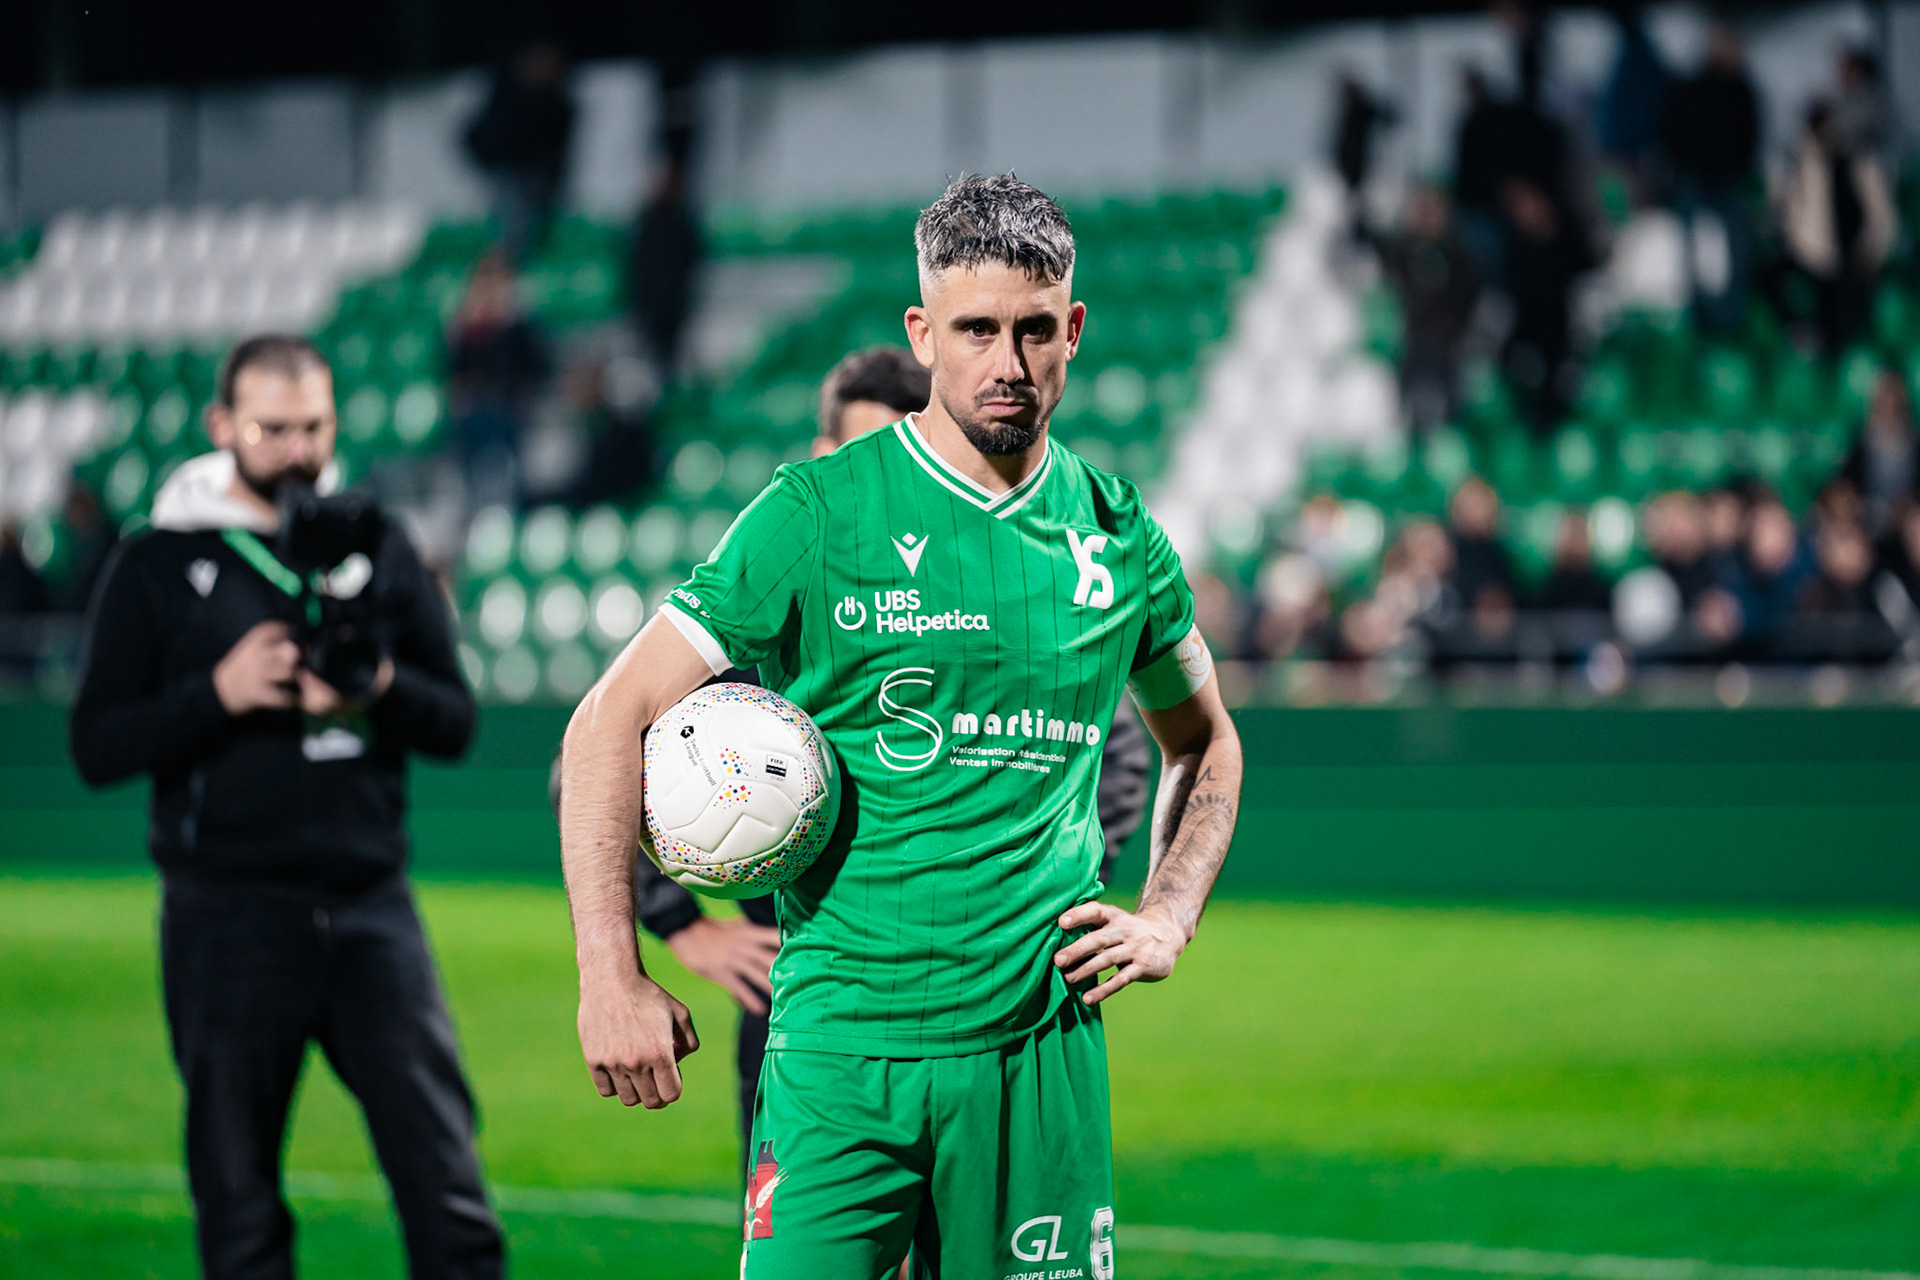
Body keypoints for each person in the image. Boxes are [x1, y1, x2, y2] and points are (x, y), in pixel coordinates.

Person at [557, 174, 1242, 1279]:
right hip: (839, 1053)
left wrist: (1169, 910)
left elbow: (1205, 740)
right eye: (976, 330)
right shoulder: (815, 512)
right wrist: (610, 970)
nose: (1008, 364)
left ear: (1074, 329)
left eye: (1034, 330)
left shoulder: (1121, 537)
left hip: (1040, 1052)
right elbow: (609, 720)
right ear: (925, 334)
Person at [67, 335, 504, 1280]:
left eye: (315, 427)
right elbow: (94, 746)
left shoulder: (379, 543)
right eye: (273, 429)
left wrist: (378, 687)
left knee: (447, 1184)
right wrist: (216, 694)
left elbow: (456, 722)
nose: (298, 451)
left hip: (371, 905)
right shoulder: (157, 560)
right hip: (226, 913)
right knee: (238, 1198)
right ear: (223, 427)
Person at [1662, 21, 1761, 336]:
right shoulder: (1691, 87)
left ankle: (1731, 322)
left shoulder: (1743, 91)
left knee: (1736, 250)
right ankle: (1696, 320)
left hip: (1728, 181)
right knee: (1690, 253)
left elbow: (1751, 135)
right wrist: (1684, 163)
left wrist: (1737, 166)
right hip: (1694, 178)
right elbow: (1670, 129)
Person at [1777, 100, 1897, 360]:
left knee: (1846, 316)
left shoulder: (1859, 162)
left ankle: (1841, 360)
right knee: (1775, 281)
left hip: (1854, 258)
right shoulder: (1802, 165)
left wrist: (1872, 251)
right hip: (1812, 258)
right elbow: (1790, 214)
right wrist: (1802, 248)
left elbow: (1883, 217)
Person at [448, 252, 551, 508]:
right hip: (478, 406)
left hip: (512, 405)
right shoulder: (467, 327)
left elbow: (534, 365)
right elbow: (456, 370)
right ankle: (471, 504)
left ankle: (518, 504)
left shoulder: (519, 324)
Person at [463, 42, 576, 261]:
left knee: (537, 232)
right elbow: (482, 136)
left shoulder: (557, 104)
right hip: (508, 173)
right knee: (512, 231)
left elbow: (556, 151)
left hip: (539, 178)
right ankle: (506, 274)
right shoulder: (508, 96)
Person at [628, 158, 705, 383]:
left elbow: (691, 259)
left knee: (671, 358)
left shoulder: (683, 224)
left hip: (672, 305)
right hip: (650, 304)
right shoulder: (644, 226)